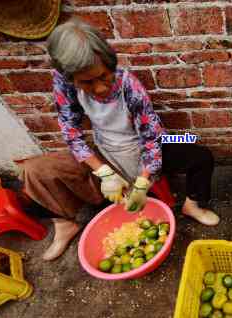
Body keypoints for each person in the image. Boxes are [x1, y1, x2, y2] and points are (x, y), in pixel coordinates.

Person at [20, 19, 220, 261]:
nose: (100, 88)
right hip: (106, 149)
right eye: (86, 82)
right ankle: (64, 223)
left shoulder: (130, 86)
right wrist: (103, 172)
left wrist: (143, 183)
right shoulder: (64, 82)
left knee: (197, 152)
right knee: (34, 170)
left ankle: (192, 205)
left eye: (103, 76)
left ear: (110, 63)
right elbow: (71, 133)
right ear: (70, 77)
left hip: (149, 141)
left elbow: (151, 138)